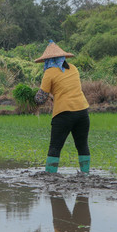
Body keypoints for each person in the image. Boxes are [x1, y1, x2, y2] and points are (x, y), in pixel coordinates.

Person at [34, 41, 90, 174]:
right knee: (82, 145)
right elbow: (66, 88)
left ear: (49, 60)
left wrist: (34, 97)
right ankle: (85, 174)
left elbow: (40, 99)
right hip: (82, 112)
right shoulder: (74, 69)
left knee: (55, 147)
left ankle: (50, 175)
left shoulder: (49, 73)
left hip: (64, 113)